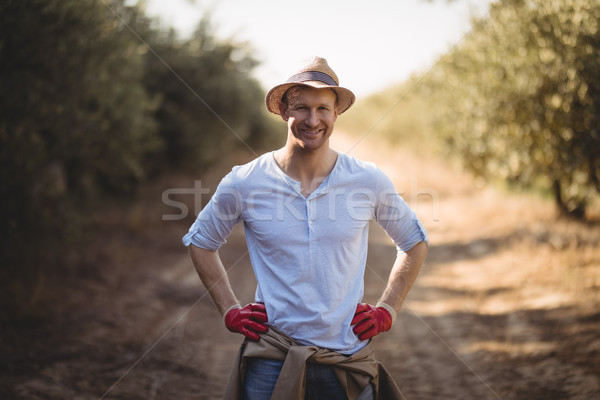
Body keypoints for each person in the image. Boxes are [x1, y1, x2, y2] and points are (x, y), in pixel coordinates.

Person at [183, 56, 428, 400]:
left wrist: (388, 307)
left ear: (336, 113)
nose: (313, 120)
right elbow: (200, 242)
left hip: (345, 357)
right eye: (302, 108)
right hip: (271, 359)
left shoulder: (367, 179)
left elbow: (414, 241)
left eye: (323, 109)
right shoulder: (245, 181)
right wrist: (229, 309)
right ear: (284, 110)